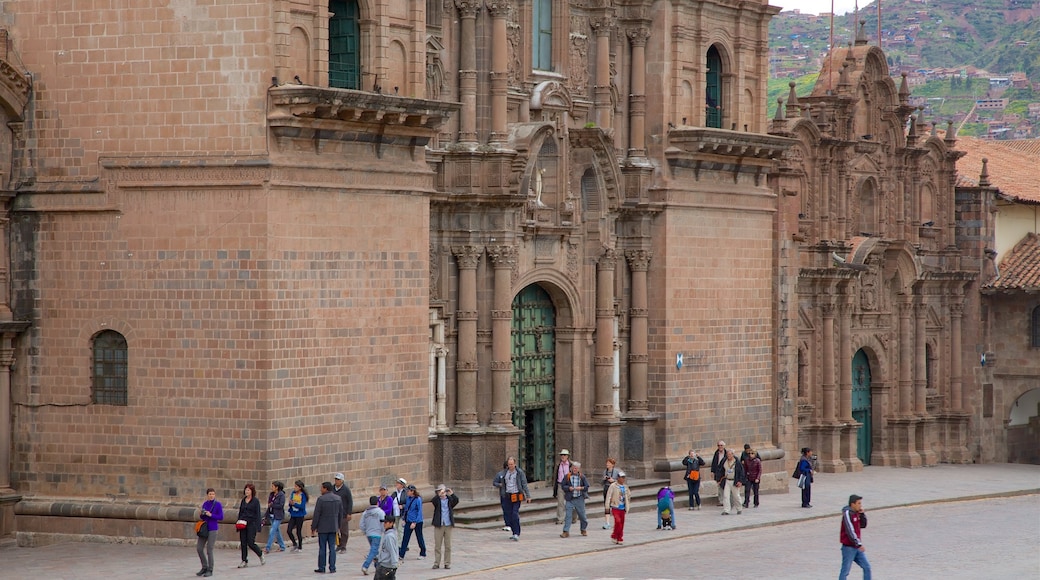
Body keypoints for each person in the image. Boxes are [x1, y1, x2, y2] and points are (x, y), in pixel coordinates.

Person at [492, 456, 531, 541]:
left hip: (516, 495)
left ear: (515, 464)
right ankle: (513, 532)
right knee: (508, 514)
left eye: (512, 464)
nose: (511, 466)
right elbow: (495, 482)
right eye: (509, 464)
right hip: (507, 496)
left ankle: (517, 533)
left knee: (514, 513)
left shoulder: (519, 473)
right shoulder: (503, 473)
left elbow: (524, 484)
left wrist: (528, 496)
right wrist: (500, 485)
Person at [311, 481, 345, 574]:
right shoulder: (338, 499)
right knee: (332, 548)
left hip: (322, 527)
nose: (320, 490)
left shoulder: (321, 499)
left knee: (322, 548)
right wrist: (338, 526)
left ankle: (322, 567)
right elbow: (340, 514)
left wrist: (313, 527)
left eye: (321, 488)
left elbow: (316, 514)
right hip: (333, 527)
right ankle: (332, 567)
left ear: (325, 488)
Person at [839, 494, 871, 580]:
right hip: (848, 547)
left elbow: (863, 525)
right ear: (853, 504)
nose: (860, 505)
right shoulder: (847, 513)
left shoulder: (856, 513)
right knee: (845, 571)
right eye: (859, 503)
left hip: (856, 547)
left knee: (867, 567)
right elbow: (850, 530)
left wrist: (862, 514)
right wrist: (859, 544)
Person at [195, 488, 223, 577]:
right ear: (207, 495)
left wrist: (211, 515)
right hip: (205, 528)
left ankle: (210, 569)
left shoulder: (218, 504)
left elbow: (221, 517)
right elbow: (203, 517)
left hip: (213, 528)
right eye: (210, 494)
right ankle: (204, 566)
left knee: (209, 550)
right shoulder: (205, 504)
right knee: (199, 548)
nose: (211, 496)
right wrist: (202, 513)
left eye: (213, 494)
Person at [430, 483, 459, 570]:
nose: (442, 493)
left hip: (448, 524)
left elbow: (456, 500)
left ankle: (447, 563)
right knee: (437, 545)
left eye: (442, 491)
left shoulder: (449, 500)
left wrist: (452, 493)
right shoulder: (437, 500)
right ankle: (437, 563)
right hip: (439, 525)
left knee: (448, 545)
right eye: (439, 491)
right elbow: (433, 501)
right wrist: (439, 495)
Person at [236, 483, 265, 568]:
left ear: (252, 491)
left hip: (252, 523)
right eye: (246, 489)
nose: (246, 491)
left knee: (250, 542)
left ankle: (260, 554)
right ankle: (244, 560)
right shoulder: (243, 500)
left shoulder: (255, 501)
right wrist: (238, 522)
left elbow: (258, 514)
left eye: (248, 490)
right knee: (243, 542)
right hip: (243, 523)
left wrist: (258, 526)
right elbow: (240, 512)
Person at [559, 461, 589, 538]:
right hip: (570, 498)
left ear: (579, 469)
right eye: (573, 468)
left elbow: (586, 487)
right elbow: (563, 486)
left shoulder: (582, 477)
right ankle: (566, 531)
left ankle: (583, 529)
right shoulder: (567, 476)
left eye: (576, 468)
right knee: (568, 515)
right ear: (571, 468)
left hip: (579, 498)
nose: (575, 469)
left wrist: (581, 488)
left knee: (582, 516)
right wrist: (569, 488)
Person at [398, 485, 427, 560]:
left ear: (412, 491)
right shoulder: (408, 499)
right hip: (408, 520)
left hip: (417, 522)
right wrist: (404, 518)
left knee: (419, 537)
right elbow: (406, 509)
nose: (407, 492)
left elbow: (419, 511)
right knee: (405, 538)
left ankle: (423, 552)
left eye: (408, 491)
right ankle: (401, 554)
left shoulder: (418, 499)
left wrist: (415, 522)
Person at [360, 495, 385, 575]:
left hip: (369, 534)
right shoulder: (380, 512)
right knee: (373, 551)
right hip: (377, 534)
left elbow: (361, 524)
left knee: (375, 551)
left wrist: (365, 531)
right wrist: (383, 531)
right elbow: (383, 523)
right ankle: (365, 566)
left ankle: (377, 567)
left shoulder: (365, 513)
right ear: (377, 502)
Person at [605, 471, 631, 545]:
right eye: (621, 477)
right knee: (618, 522)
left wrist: (627, 501)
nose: (623, 479)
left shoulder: (625, 487)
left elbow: (629, 494)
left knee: (621, 523)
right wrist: (607, 506)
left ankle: (619, 537)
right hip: (615, 506)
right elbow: (609, 496)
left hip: (622, 507)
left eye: (624, 477)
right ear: (618, 478)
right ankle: (614, 535)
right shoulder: (613, 486)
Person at [719, 449, 747, 515]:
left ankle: (739, 508)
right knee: (726, 496)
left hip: (734, 481)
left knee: (736, 496)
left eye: (729, 454)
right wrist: (719, 479)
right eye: (727, 454)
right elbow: (720, 470)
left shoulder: (737, 462)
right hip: (727, 480)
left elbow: (741, 472)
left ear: (732, 455)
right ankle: (726, 510)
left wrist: (740, 481)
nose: (728, 456)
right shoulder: (724, 461)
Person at [332, 472, 354, 553]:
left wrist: (349, 513)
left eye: (338, 479)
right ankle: (338, 545)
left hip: (343, 513)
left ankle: (343, 546)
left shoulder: (346, 490)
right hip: (334, 513)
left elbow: (350, 501)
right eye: (335, 479)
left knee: (344, 531)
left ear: (342, 481)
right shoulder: (332, 488)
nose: (336, 481)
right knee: (335, 530)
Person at [552, 449, 574, 525]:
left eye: (564, 455)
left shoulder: (571, 465)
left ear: (567, 456)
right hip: (560, 484)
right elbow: (556, 476)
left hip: (569, 485)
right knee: (560, 502)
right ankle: (560, 519)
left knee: (572, 502)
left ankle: (573, 517)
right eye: (561, 455)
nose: (562, 456)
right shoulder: (558, 465)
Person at [264, 480, 287, 554]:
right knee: (277, 531)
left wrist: (272, 505)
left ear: (277, 487)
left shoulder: (281, 495)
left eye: (273, 486)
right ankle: (282, 546)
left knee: (272, 531)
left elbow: (281, 505)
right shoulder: (271, 495)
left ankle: (268, 547)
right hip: (271, 514)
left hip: (278, 515)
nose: (271, 487)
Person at [286, 480, 308, 552]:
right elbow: (291, 502)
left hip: (300, 515)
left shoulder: (302, 495)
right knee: (289, 530)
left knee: (298, 531)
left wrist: (294, 504)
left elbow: (302, 506)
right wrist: (290, 503)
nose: (294, 488)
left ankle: (300, 546)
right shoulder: (293, 493)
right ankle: (294, 543)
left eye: (296, 486)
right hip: (293, 514)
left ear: (300, 488)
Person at [601, 457, 619, 529]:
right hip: (606, 489)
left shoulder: (617, 472)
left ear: (613, 464)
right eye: (607, 463)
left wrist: (614, 481)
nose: (607, 464)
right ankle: (607, 522)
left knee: (614, 506)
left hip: (614, 489)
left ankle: (616, 522)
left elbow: (621, 482)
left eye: (609, 463)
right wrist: (604, 479)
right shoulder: (604, 471)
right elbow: (601, 482)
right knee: (607, 505)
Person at [710, 440, 728, 505]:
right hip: (718, 472)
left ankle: (727, 500)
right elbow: (714, 462)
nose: (720, 447)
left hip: (725, 472)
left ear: (724, 446)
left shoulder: (727, 453)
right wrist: (712, 471)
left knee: (725, 486)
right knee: (719, 486)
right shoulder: (716, 453)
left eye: (721, 445)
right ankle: (721, 501)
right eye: (718, 445)